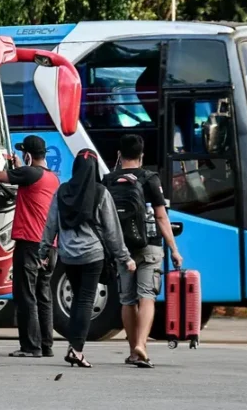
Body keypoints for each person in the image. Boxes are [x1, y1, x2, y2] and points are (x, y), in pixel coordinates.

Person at [38, 149, 135, 368]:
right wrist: (124, 257)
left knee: (77, 301)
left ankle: (75, 346)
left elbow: (50, 224)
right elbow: (112, 230)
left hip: (68, 256)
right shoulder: (100, 193)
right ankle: (76, 349)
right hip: (92, 256)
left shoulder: (62, 192)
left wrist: (43, 252)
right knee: (84, 301)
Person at [107, 133, 182, 369]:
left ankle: (132, 351)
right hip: (149, 244)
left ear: (119, 154)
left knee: (127, 300)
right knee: (146, 295)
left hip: (122, 247)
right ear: (142, 155)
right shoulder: (150, 178)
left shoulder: (108, 180)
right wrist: (174, 250)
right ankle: (141, 344)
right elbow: (161, 216)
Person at [0, 135, 60, 358]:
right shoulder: (51, 178)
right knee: (43, 295)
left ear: (28, 155)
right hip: (50, 245)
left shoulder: (29, 174)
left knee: (26, 294)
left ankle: (31, 346)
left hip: (30, 243)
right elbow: (26, 176)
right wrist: (20, 167)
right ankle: (46, 345)